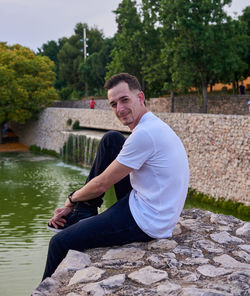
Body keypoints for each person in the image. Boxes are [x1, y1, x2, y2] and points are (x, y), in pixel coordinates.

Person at [42, 73, 189, 280]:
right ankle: (85, 211)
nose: (119, 109)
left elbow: (101, 184)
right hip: (150, 203)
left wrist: (71, 200)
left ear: (140, 97)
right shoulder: (152, 125)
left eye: (124, 100)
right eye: (113, 104)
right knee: (112, 139)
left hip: (148, 222)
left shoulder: (144, 135)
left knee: (59, 242)